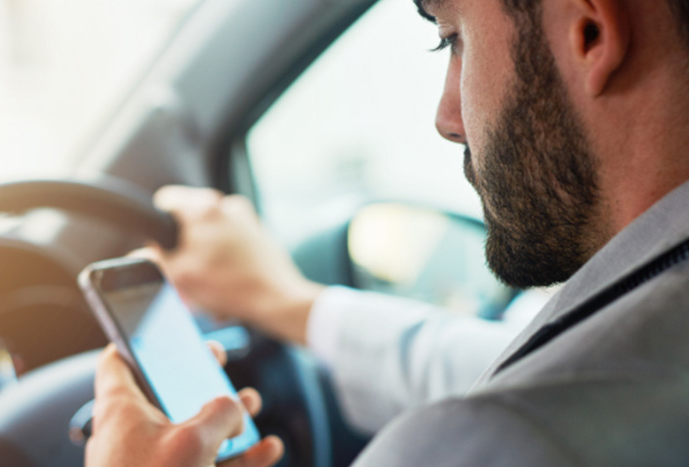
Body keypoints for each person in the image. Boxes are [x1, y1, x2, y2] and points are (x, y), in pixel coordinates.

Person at [87, 0, 689, 465]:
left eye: (453, 38)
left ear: (591, 31)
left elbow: (518, 400)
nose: (446, 119)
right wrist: (283, 302)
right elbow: (500, 363)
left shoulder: (502, 439)